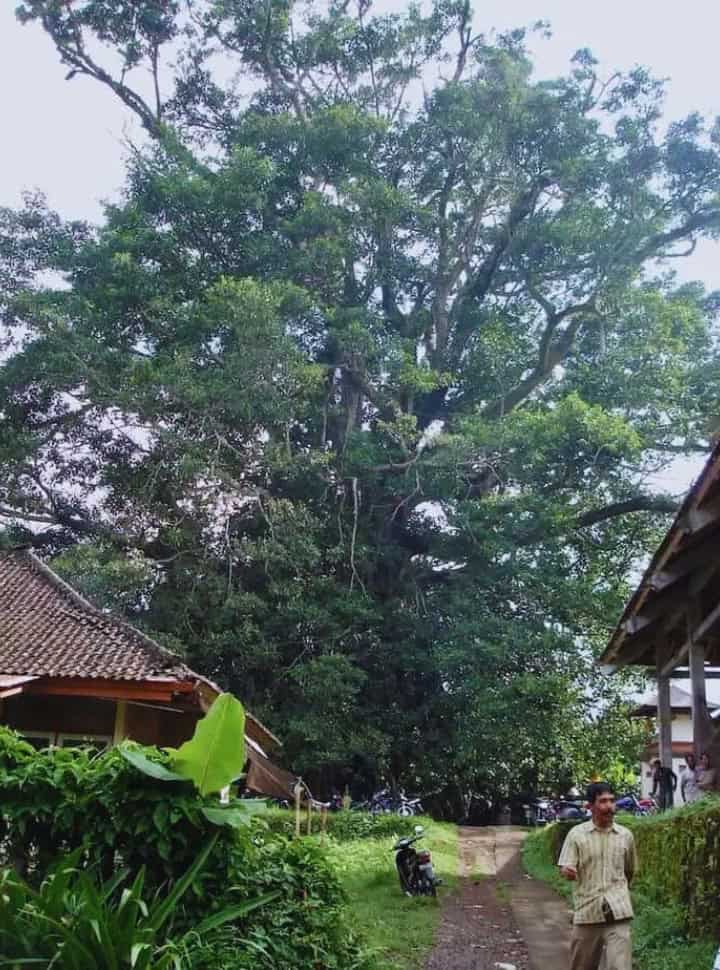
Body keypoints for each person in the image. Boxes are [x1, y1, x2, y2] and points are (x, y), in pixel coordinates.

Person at [558, 782, 638, 970]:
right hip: (587, 912)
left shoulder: (625, 836)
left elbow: (630, 871)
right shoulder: (576, 835)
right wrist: (568, 872)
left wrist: (620, 892)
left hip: (619, 912)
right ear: (590, 806)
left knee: (620, 967)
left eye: (612, 801)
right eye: (603, 801)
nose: (609, 806)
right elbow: (566, 867)